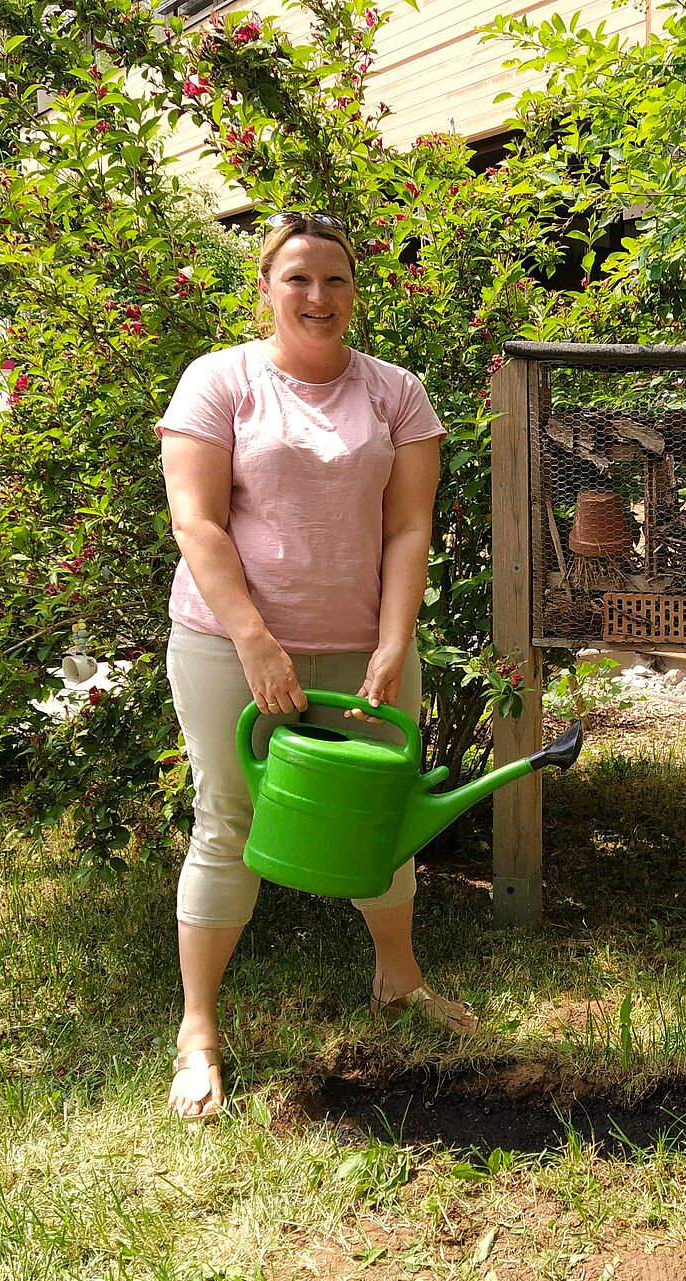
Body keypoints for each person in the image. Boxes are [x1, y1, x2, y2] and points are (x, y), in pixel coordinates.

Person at [157, 212, 478, 1122]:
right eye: (297, 279)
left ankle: (399, 981)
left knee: (383, 818)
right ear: (265, 287)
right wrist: (257, 640)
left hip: (363, 646)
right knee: (228, 818)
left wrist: (393, 638)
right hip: (230, 641)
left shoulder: (396, 392)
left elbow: (409, 525)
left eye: (334, 280)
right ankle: (199, 1033)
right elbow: (199, 521)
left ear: (355, 290)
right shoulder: (220, 380)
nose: (317, 297)